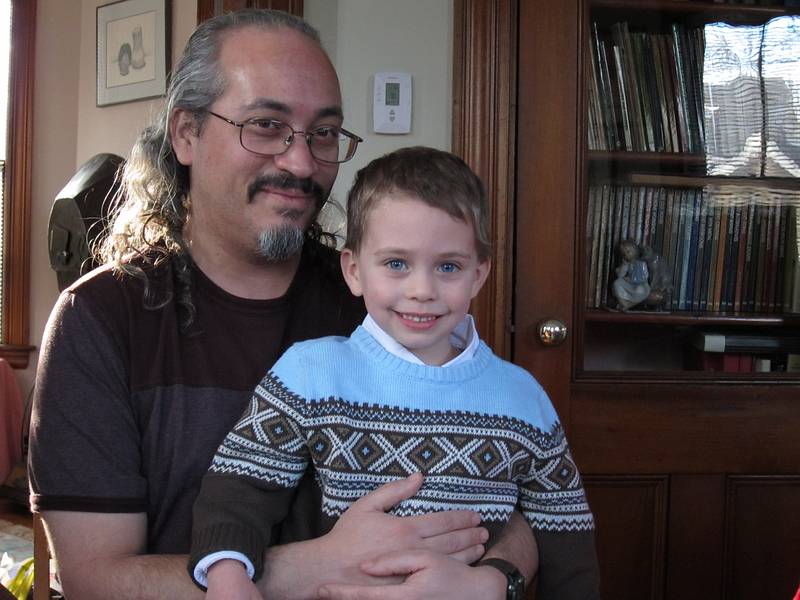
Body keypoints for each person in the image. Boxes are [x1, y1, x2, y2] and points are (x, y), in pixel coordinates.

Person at [28, 9, 536, 599]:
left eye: (323, 133)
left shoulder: (383, 305)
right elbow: (96, 580)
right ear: (186, 134)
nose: (302, 163)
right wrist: (320, 565)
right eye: (266, 125)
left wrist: (496, 581)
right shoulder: (100, 320)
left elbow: (527, 496)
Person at [189, 147, 601, 600]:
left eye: (448, 267)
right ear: (354, 270)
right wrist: (228, 577)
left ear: (478, 275)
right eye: (396, 264)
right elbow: (237, 488)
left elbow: (567, 536)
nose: (422, 290)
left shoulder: (523, 399)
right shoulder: (310, 373)